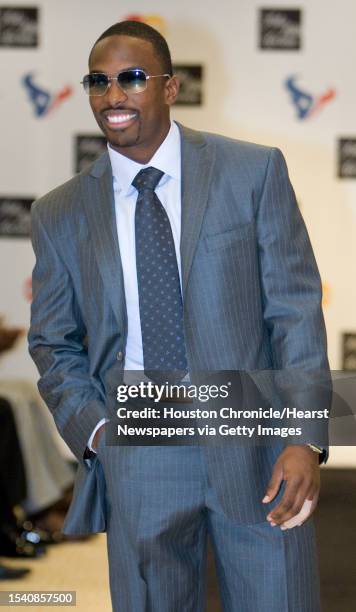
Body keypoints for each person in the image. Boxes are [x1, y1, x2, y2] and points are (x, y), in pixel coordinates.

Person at [28, 20, 330, 611]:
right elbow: (53, 341)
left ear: (170, 87)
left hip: (254, 437)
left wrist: (304, 438)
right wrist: (97, 431)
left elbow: (294, 312)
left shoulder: (252, 171)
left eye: (132, 78)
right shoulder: (59, 212)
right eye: (99, 81)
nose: (113, 95)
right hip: (138, 444)